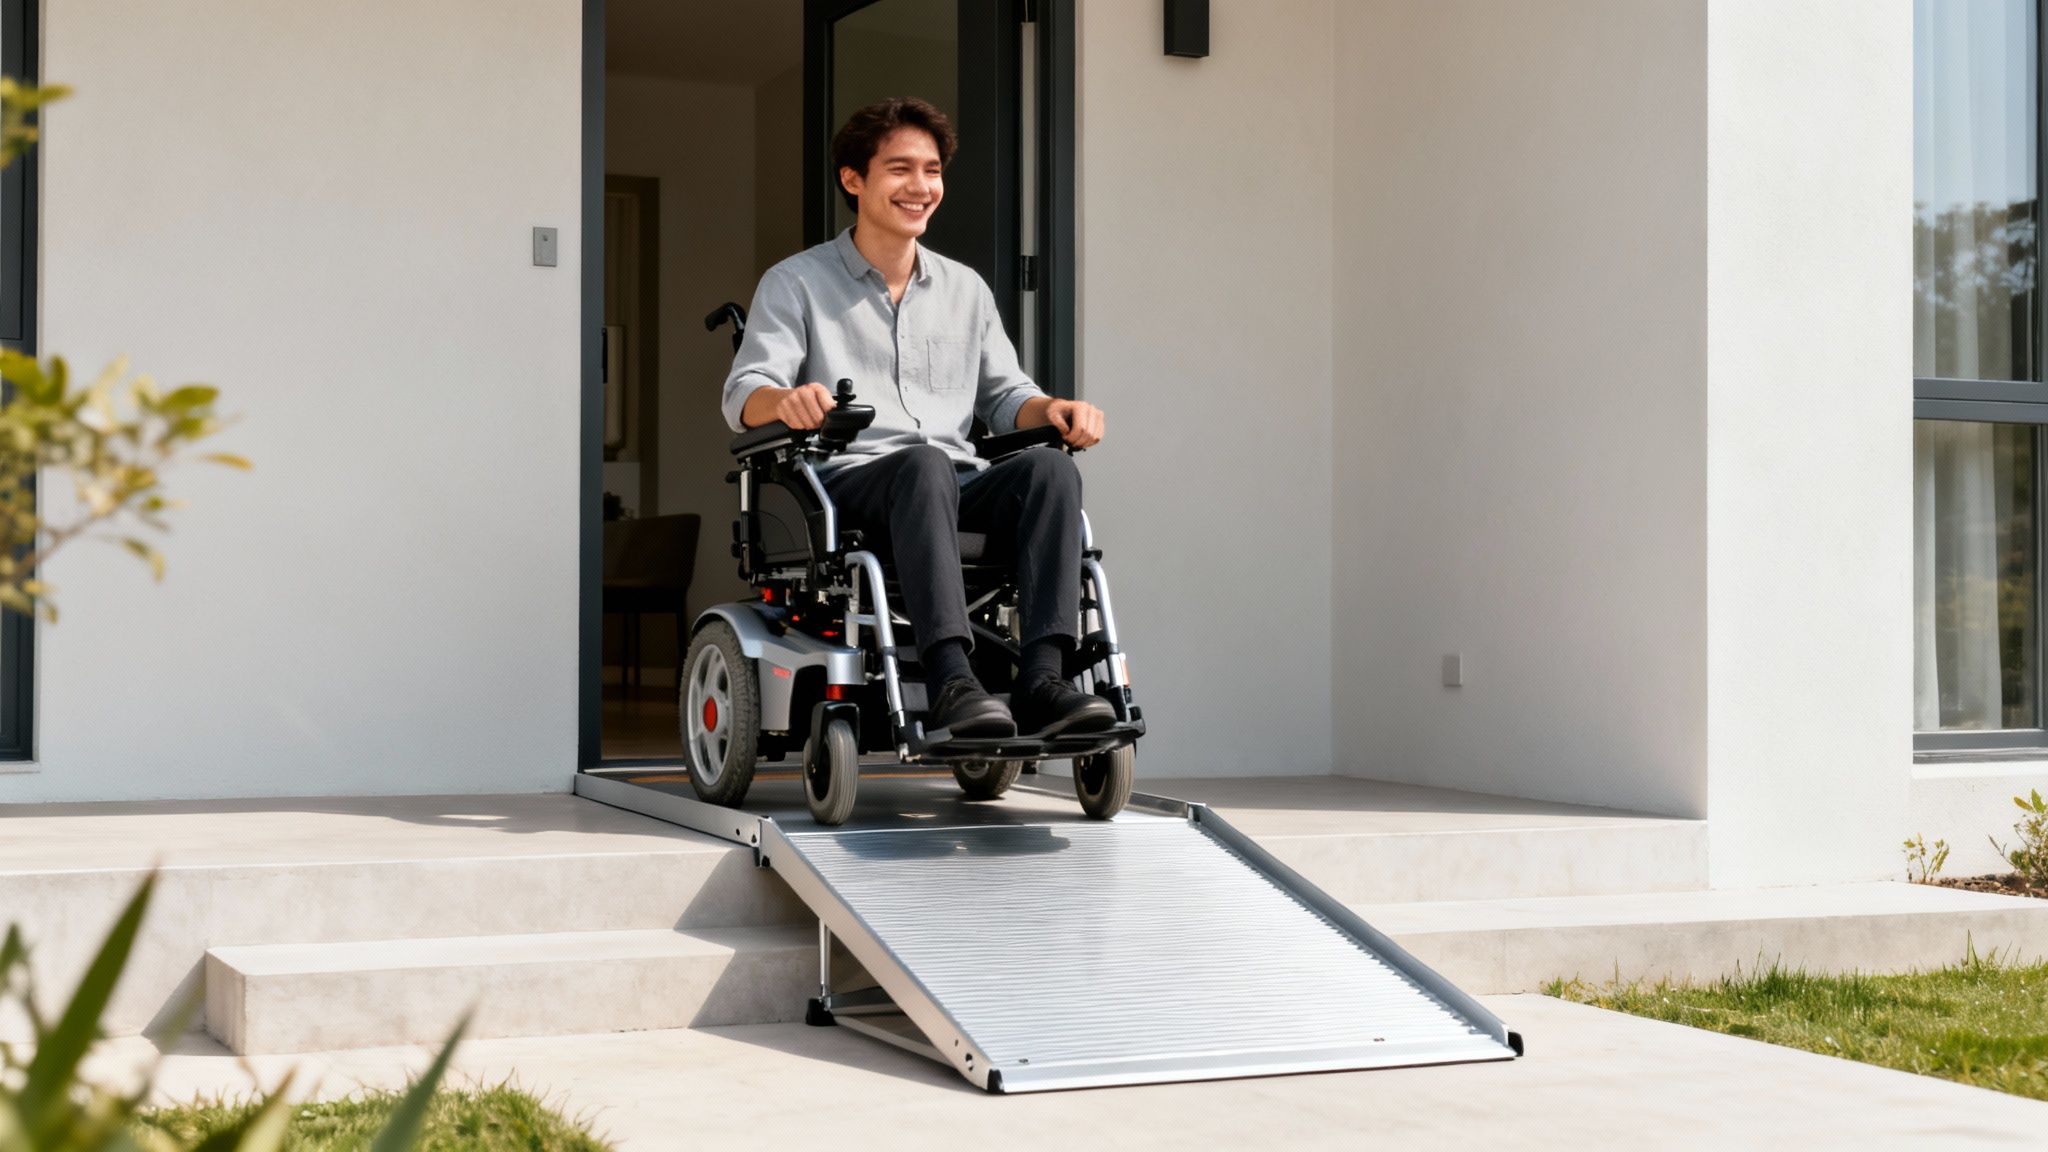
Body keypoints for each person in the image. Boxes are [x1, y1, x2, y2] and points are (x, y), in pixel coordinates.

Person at [722, 96, 1111, 740]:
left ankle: (1044, 680)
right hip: (852, 483)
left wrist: (1054, 409)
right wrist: (784, 402)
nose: (921, 187)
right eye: (900, 169)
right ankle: (954, 678)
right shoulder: (796, 283)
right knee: (924, 463)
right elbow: (746, 391)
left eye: (931, 171)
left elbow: (1007, 396)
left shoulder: (966, 291)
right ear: (854, 179)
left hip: (954, 484)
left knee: (1049, 471)